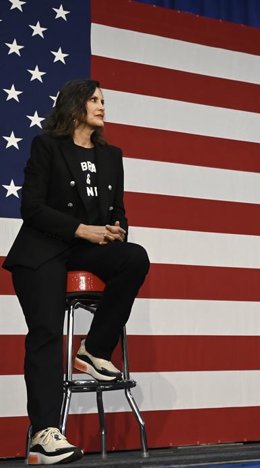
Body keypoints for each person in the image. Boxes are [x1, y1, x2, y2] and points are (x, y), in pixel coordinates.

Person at [2, 79, 150, 464]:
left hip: (87, 249)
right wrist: (82, 229)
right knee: (46, 333)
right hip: (43, 250)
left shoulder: (112, 155)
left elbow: (118, 210)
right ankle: (44, 435)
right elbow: (31, 208)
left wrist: (117, 230)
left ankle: (94, 349)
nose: (102, 106)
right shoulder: (47, 146)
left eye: (104, 100)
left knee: (134, 258)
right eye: (95, 100)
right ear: (74, 106)